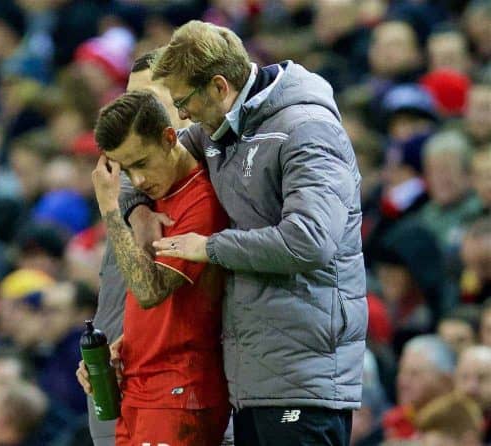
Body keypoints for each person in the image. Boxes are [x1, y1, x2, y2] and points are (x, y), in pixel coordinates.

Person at [150, 20, 367, 445]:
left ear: (218, 87)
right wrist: (134, 207)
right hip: (252, 380)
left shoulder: (307, 128)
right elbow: (154, 158)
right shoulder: (219, 130)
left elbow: (309, 241)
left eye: (184, 101)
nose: (182, 116)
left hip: (304, 380)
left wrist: (211, 248)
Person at [88, 90, 231, 446]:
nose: (136, 181)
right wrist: (126, 347)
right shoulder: (152, 199)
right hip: (137, 388)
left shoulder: (201, 200)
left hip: (179, 392)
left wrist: (111, 209)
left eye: (141, 163)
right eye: (126, 169)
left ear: (170, 137)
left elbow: (150, 291)